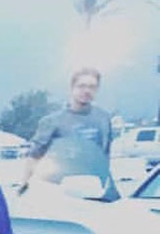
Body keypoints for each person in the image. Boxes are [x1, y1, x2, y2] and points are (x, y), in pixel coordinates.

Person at [18, 67, 115, 196]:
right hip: (59, 189)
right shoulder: (52, 121)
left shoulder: (103, 119)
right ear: (72, 88)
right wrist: (24, 183)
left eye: (92, 87)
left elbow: (105, 154)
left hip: (94, 189)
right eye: (81, 86)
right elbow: (34, 155)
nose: (87, 91)